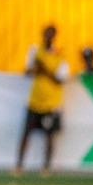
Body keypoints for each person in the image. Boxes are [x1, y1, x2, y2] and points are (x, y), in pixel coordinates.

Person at [14, 24, 69, 175]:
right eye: (45, 34)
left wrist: (44, 69)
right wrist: (37, 68)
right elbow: (27, 72)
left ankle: (46, 167)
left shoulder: (59, 55)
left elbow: (61, 80)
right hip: (34, 100)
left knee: (49, 136)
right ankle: (19, 165)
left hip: (51, 103)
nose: (47, 37)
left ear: (54, 36)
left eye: (50, 34)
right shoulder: (35, 52)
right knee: (26, 133)